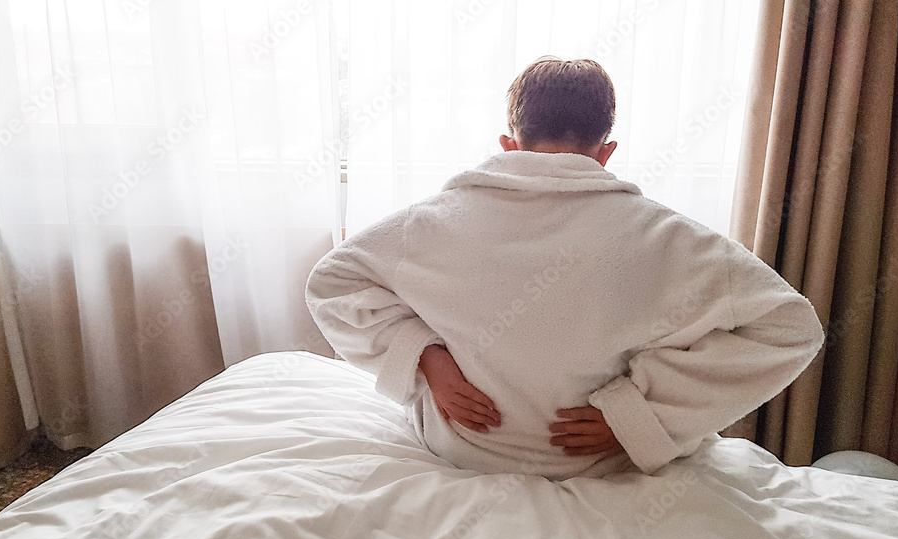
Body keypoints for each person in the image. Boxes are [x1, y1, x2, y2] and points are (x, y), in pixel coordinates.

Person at [305, 57, 824, 480]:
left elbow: (331, 283)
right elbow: (790, 327)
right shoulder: (669, 238)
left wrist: (426, 362)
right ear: (606, 152)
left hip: (462, 450)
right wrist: (637, 417)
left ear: (508, 145)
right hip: (599, 462)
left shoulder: (432, 224)